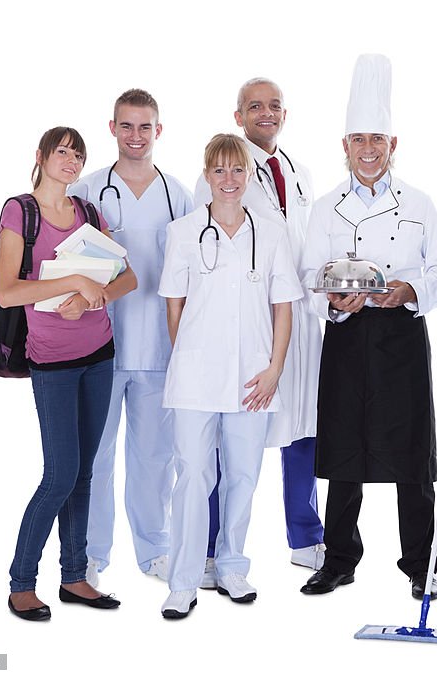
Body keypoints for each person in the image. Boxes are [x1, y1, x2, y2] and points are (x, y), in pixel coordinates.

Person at [298, 54, 437, 599]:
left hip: (401, 340)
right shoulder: (324, 208)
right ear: (344, 146)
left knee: (412, 458)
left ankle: (422, 564)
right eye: (358, 139)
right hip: (344, 336)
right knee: (344, 452)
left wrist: (411, 290)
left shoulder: (418, 203)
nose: (368, 150)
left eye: (378, 140)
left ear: (394, 146)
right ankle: (339, 558)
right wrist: (335, 299)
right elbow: (305, 274)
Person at [158, 134, 300, 619]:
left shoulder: (272, 230)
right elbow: (173, 307)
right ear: (206, 176)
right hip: (196, 378)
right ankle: (183, 581)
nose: (228, 180)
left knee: (242, 474)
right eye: (218, 171)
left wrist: (275, 368)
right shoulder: (183, 231)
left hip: (254, 376)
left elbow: (284, 307)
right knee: (193, 476)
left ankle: (233, 566)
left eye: (237, 170)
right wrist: (192, 358)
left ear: (248, 175)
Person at [1, 126, 137, 620]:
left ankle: (75, 577)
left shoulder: (87, 214)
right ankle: (21, 583)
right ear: (40, 156)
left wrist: (91, 294)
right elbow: (9, 291)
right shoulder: (21, 211)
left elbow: (128, 277)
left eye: (78, 154)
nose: (71, 161)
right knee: (59, 475)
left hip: (99, 354)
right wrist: (76, 278)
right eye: (62, 152)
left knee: (84, 472)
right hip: (52, 361)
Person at [195, 77, 325, 578]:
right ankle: (211, 548)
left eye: (274, 106)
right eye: (255, 107)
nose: (266, 114)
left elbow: (306, 243)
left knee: (304, 427)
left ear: (284, 115)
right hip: (247, 319)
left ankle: (306, 536)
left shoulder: (298, 171)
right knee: (232, 434)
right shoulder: (225, 170)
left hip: (303, 316)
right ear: (238, 115)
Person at [69, 89, 194, 587]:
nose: (136, 136)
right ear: (113, 129)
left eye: (145, 127)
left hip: (160, 348)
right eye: (127, 126)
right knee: (95, 455)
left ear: (158, 131)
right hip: (98, 345)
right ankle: (90, 553)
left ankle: (155, 551)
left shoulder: (177, 194)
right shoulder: (88, 189)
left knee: (154, 457)